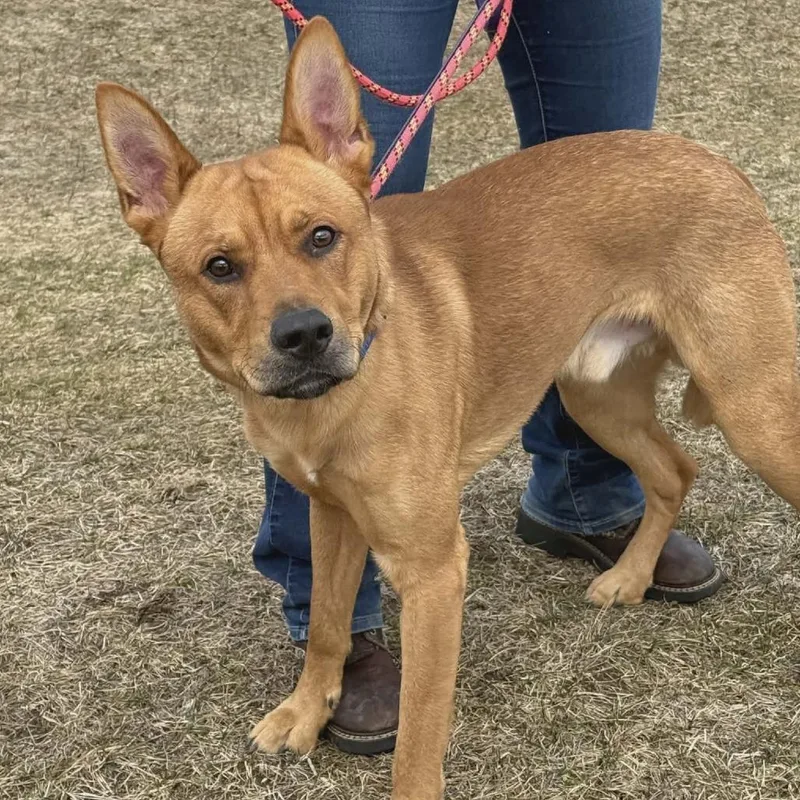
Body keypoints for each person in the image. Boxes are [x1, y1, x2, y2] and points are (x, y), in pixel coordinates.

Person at [253, 0, 721, 755]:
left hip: (668, 229)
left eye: (317, 242)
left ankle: (590, 504)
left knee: (767, 429)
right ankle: (333, 648)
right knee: (332, 462)